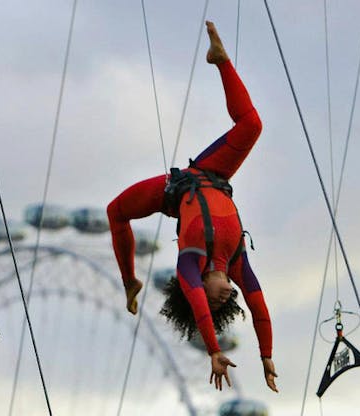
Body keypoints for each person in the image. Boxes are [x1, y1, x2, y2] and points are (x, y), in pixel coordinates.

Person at [106, 21, 278, 393]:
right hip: (212, 173)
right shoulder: (235, 264)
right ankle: (221, 60)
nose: (224, 295)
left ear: (195, 287)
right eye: (224, 301)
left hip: (175, 190)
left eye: (215, 301)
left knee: (115, 212)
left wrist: (212, 351)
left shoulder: (191, 264)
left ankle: (128, 279)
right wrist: (266, 355)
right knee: (252, 125)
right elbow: (259, 307)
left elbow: (199, 304)